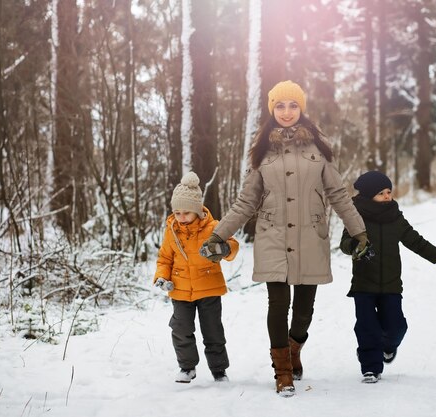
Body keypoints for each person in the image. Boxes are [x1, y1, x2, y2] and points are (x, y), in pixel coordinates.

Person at [200, 80, 369, 396]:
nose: (287, 111)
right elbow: (246, 201)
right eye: (280, 105)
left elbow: (338, 194)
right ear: (272, 110)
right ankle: (282, 372)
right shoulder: (262, 151)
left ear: (301, 109)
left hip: (310, 235)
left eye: (293, 105)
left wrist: (358, 230)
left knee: (304, 309)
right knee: (278, 303)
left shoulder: (319, 149)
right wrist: (217, 234)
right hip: (272, 236)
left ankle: (294, 347)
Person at [339, 171, 436, 383]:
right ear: (370, 195)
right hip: (364, 282)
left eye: (389, 192)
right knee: (366, 326)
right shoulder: (356, 216)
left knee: (397, 326)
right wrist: (355, 245)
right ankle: (370, 368)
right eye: (381, 193)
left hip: (391, 283)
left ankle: (388, 347)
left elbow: (415, 241)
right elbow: (345, 243)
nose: (387, 196)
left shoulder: (394, 216)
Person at [153, 172, 240, 384]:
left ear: (197, 210)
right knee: (181, 328)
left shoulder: (213, 227)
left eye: (186, 212)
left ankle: (219, 370)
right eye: (177, 212)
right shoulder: (171, 231)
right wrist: (161, 277)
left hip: (208, 288)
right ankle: (187, 367)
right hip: (180, 290)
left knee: (213, 331)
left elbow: (233, 246)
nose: (181, 217)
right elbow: (164, 258)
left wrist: (224, 248)